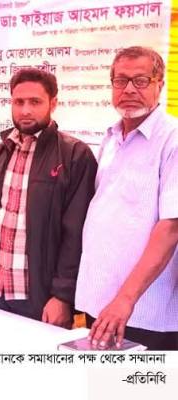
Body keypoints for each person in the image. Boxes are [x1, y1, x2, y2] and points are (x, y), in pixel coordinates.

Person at [0, 68, 97, 328]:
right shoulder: (0, 152)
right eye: (19, 102)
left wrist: (62, 296)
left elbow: (76, 235)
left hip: (37, 296)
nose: (25, 110)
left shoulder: (74, 156)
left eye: (35, 102)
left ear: (53, 103)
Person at [76, 46, 178, 350]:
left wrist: (125, 299)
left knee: (141, 379)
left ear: (160, 85)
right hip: (101, 303)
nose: (129, 89)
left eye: (141, 80)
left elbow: (171, 227)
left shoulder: (172, 138)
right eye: (121, 80)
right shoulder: (111, 137)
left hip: (143, 311)